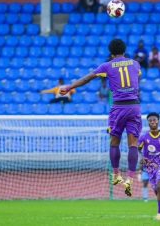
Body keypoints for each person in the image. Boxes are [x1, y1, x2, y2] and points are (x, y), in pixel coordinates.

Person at [59, 39, 142, 197]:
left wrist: (69, 87)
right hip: (134, 106)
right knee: (133, 144)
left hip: (118, 107)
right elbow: (138, 76)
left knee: (114, 142)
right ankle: (130, 178)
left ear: (111, 52)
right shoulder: (135, 64)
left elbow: (87, 78)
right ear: (124, 50)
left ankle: (116, 174)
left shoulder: (107, 65)